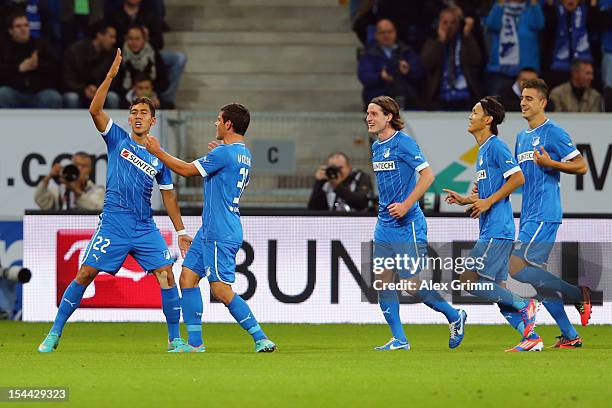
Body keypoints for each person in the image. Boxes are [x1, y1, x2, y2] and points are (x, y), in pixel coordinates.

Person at [38, 49, 192, 353]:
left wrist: (181, 231)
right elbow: (95, 111)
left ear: (152, 120)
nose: (137, 117)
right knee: (85, 273)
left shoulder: (159, 156)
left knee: (166, 275)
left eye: (143, 113)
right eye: (133, 112)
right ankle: (54, 334)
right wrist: (110, 75)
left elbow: (169, 195)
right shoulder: (116, 138)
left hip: (144, 226)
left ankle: (175, 340)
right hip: (114, 222)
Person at [144, 104, 277, 353]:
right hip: (210, 229)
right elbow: (224, 178)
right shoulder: (243, 154)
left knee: (220, 288)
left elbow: (185, 170)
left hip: (220, 231)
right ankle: (195, 344)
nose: (215, 124)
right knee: (187, 277)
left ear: (228, 125)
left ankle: (261, 338)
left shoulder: (224, 154)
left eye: (218, 120)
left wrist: (158, 151)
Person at [366, 95, 467, 351]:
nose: (368, 118)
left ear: (389, 116)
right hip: (384, 224)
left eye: (374, 113)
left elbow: (428, 175)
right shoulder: (377, 146)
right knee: (382, 281)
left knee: (411, 286)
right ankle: (399, 339)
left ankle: (455, 316)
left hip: (408, 223)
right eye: (367, 113)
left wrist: (406, 204)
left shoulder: (404, 143)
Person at [443, 96, 540, 352]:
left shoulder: (496, 146)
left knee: (468, 281)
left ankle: (524, 304)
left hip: (497, 230)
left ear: (487, 120)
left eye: (475, 112)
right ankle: (531, 337)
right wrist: (468, 200)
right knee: (499, 294)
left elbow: (518, 178)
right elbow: (489, 192)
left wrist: (487, 202)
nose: (470, 115)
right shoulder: (483, 150)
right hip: (493, 229)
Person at [507, 78, 592, 350]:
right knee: (539, 280)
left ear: (543, 102)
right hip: (529, 213)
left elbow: (581, 167)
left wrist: (552, 163)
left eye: (530, 98)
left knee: (516, 267)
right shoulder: (521, 137)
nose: (523, 102)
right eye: (522, 97)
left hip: (545, 213)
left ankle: (578, 293)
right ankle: (570, 334)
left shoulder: (553, 132)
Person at [421, 7, 483, 110]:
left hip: (466, 97)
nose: (449, 26)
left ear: (458, 24)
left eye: (453, 22)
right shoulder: (432, 42)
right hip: (440, 97)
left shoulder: (466, 40)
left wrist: (467, 37)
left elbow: (476, 60)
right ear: (439, 24)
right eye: (445, 22)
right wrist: (440, 41)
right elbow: (427, 63)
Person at [357, 19, 425, 110]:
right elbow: (364, 76)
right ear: (376, 35)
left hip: (405, 99)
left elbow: (420, 72)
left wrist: (408, 70)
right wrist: (380, 76)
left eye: (389, 31)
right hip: (378, 100)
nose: (386, 35)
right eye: (382, 32)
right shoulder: (369, 54)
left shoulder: (406, 51)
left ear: (395, 33)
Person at [0, 11, 62, 108]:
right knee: (2, 94)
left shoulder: (41, 44)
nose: (23, 29)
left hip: (38, 93)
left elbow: (56, 67)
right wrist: (19, 68)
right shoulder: (3, 46)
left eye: (26, 25)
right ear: (10, 30)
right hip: (14, 92)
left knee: (53, 97)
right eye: (18, 26)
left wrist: (38, 64)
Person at [483, 0, 544, 96]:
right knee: (497, 107)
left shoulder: (531, 8)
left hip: (526, 72)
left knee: (528, 106)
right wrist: (500, 3)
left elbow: (539, 23)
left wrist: (534, 3)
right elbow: (491, 24)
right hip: (501, 72)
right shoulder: (499, 7)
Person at [541, 0, 602, 90]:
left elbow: (596, 29)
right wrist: (550, 6)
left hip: (584, 65)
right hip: (557, 68)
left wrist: (593, 6)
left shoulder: (588, 11)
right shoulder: (552, 12)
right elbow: (547, 33)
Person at [62, 21, 120, 109]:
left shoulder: (113, 54)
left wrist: (98, 89)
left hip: (100, 90)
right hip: (78, 90)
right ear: (99, 35)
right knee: (72, 98)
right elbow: (67, 78)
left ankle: (107, 123)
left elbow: (114, 79)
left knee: (112, 97)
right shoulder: (75, 51)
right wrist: (84, 89)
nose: (114, 41)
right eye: (111, 37)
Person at [34, 152, 105, 210]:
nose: (79, 169)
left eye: (84, 166)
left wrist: (74, 189)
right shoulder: (59, 191)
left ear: (90, 170)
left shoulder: (98, 191)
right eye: (76, 165)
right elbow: (40, 200)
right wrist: (49, 176)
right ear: (71, 166)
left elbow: (96, 210)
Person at [119, 24, 168, 107]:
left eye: (137, 39)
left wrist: (149, 91)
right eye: (131, 39)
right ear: (126, 39)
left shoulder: (153, 53)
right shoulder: (119, 55)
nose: (134, 42)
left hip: (152, 91)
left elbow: (163, 80)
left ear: (144, 39)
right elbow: (117, 82)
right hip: (127, 95)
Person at [307, 152, 373, 212]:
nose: (337, 171)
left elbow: (362, 203)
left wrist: (337, 186)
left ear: (349, 167)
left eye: (340, 168)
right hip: (332, 222)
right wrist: (318, 183)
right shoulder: (326, 181)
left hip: (357, 220)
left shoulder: (360, 177)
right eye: (333, 168)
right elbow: (313, 209)